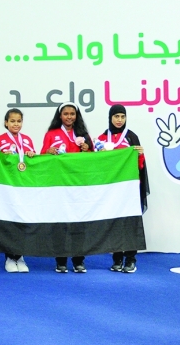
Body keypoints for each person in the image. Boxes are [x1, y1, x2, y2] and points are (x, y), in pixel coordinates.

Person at [96, 104, 149, 273]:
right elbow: (97, 165)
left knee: (130, 224)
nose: (119, 120)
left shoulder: (131, 137)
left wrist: (140, 155)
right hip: (112, 190)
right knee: (115, 224)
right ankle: (117, 259)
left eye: (122, 116)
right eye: (116, 116)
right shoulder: (102, 138)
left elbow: (139, 166)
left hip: (130, 189)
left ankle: (131, 260)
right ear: (110, 118)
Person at [42, 103, 92, 273]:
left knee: (79, 224)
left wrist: (87, 149)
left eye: (72, 113)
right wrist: (48, 151)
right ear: (60, 116)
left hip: (78, 185)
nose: (69, 117)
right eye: (66, 114)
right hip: (59, 187)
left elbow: (93, 160)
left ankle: (78, 261)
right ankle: (61, 261)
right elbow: (42, 156)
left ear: (77, 116)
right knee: (60, 224)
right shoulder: (51, 134)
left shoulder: (83, 135)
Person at [0, 108, 37, 274]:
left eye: (19, 121)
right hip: (6, 188)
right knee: (9, 221)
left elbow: (33, 162)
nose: (16, 124)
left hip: (23, 188)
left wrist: (32, 155)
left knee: (22, 221)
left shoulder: (27, 140)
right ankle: (9, 257)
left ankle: (20, 256)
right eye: (12, 121)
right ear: (6, 122)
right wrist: (0, 154)